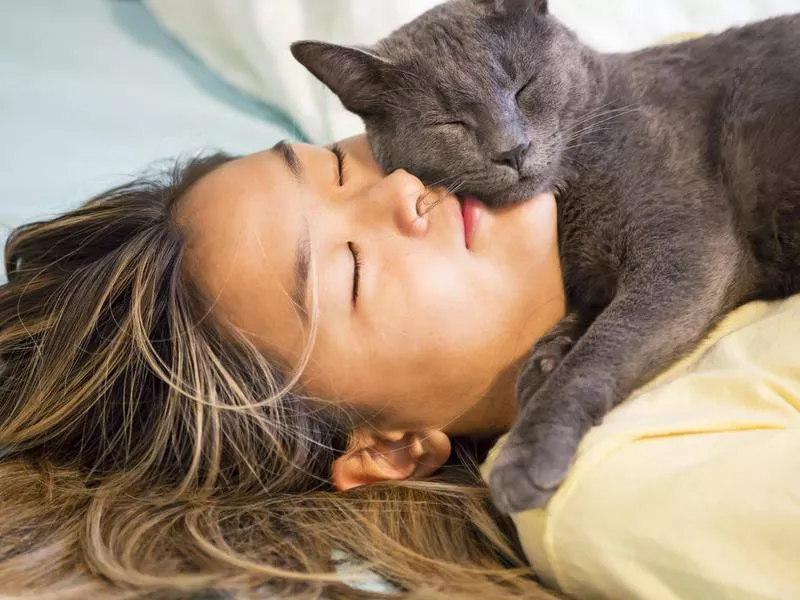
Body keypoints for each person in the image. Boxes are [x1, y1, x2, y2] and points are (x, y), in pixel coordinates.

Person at [0, 135, 565, 599]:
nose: (400, 185)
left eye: (340, 166)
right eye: (355, 269)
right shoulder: (612, 508)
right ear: (388, 452)